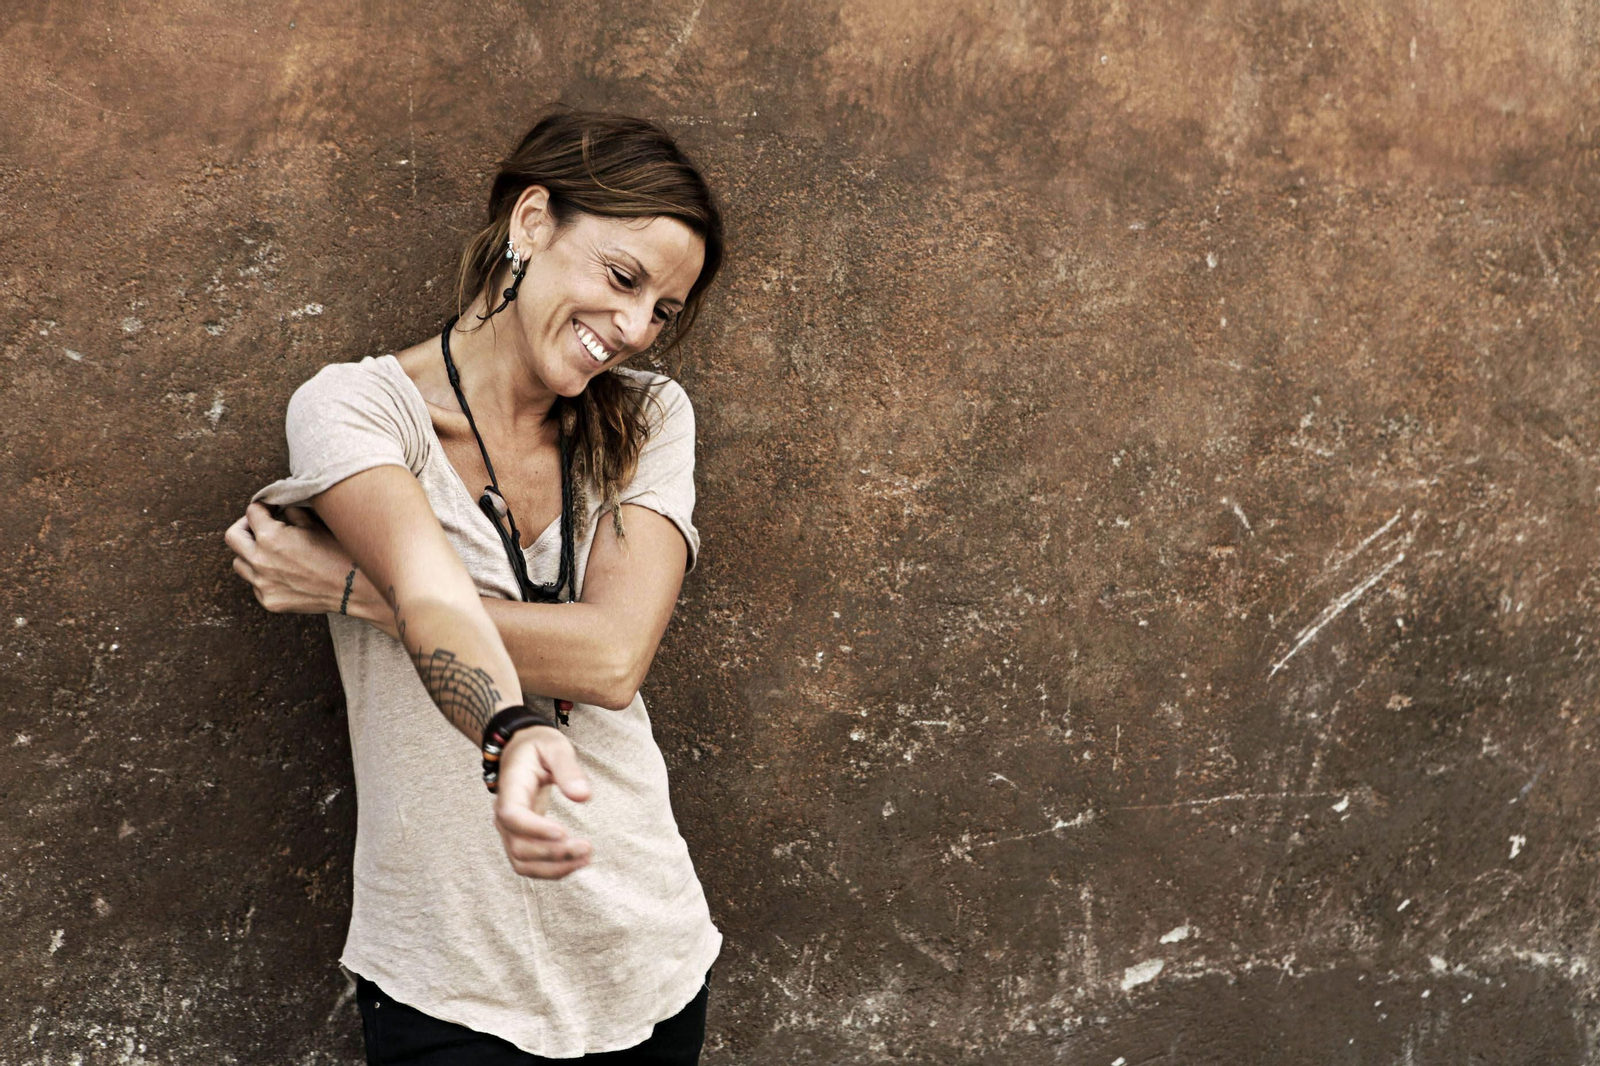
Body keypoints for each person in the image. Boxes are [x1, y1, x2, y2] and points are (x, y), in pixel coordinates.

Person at [223, 108, 725, 1064]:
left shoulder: (650, 416)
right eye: (622, 277)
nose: (632, 328)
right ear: (530, 223)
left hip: (646, 951)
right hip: (451, 979)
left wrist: (346, 593)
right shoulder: (359, 409)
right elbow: (431, 589)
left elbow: (614, 659)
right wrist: (509, 725)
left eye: (663, 309)